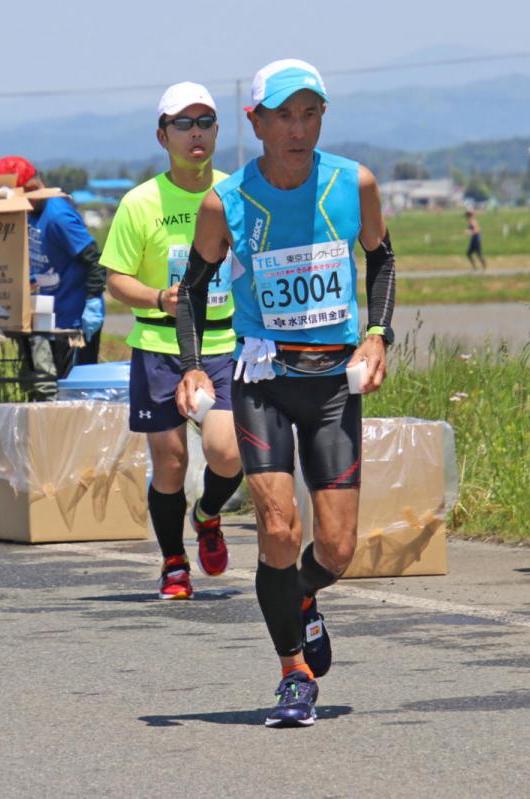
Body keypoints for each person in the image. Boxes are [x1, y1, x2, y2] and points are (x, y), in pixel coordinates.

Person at [174, 60, 395, 726]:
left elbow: (380, 257)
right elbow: (191, 287)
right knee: (276, 526)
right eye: (284, 116)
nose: (298, 130)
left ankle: (301, 592)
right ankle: (292, 673)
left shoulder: (353, 183)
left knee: (336, 549)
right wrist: (192, 365)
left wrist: (378, 333)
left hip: (331, 385)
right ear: (257, 122)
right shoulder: (227, 199)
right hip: (263, 381)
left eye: (311, 114)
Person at [101, 82, 244, 601]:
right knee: (171, 463)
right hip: (159, 347)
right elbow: (114, 278)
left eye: (205, 121)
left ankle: (207, 516)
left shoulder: (235, 192)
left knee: (228, 455)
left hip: (223, 343)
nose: (195, 133)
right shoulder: (140, 202)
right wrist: (160, 297)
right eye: (182, 124)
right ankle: (173, 562)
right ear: (163, 136)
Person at [0, 156, 105, 398]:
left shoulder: (58, 217)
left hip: (74, 322)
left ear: (31, 188)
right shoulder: (31, 212)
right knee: (51, 388)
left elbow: (94, 259)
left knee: (75, 393)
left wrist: (93, 301)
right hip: (51, 317)